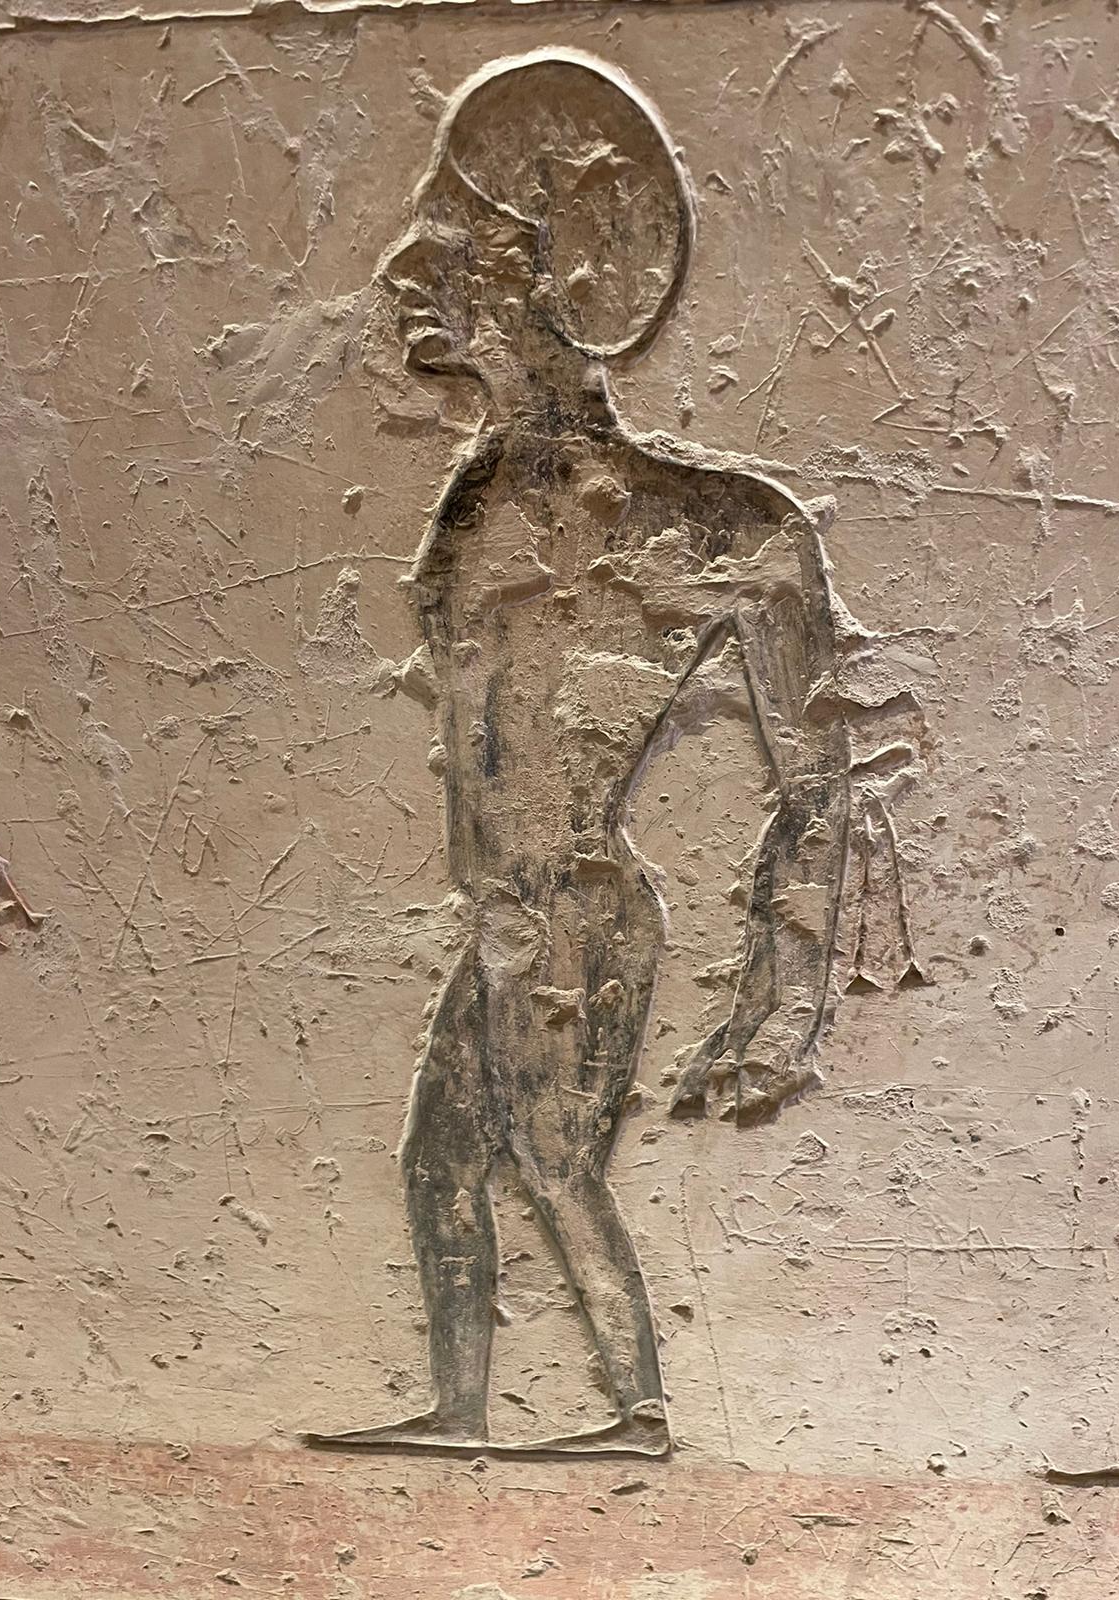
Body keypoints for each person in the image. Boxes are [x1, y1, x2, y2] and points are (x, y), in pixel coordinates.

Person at [305, 49, 850, 1458]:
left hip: (574, 914)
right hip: (509, 914)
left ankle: (639, 1412)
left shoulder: (694, 524)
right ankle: (464, 1405)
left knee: (551, 1163)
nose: (405, 269)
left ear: (548, 275)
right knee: (442, 1157)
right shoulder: (480, 498)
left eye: (454, 239)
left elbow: (817, 772)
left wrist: (783, 993)